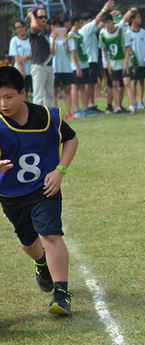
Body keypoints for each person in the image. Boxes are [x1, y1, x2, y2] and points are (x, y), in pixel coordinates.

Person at [0, 66, 79, 316]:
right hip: (11, 195)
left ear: (23, 93)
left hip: (44, 188)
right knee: (28, 244)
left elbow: (71, 139)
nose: (3, 104)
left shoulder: (47, 117)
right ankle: (41, 263)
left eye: (8, 96)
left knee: (50, 235)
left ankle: (62, 294)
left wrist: (60, 171)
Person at [100, 10, 137, 114]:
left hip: (124, 61)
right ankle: (117, 107)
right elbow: (104, 49)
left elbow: (128, 46)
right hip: (113, 63)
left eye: (108, 22)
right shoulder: (102, 34)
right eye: (105, 23)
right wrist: (108, 63)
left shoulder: (121, 31)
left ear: (112, 21)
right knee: (115, 84)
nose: (107, 25)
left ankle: (132, 106)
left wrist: (126, 61)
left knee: (126, 83)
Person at [68, 14, 98, 118]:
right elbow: (73, 53)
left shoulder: (79, 35)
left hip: (84, 64)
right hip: (77, 66)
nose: (82, 24)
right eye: (80, 22)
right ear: (76, 23)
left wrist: (86, 66)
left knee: (83, 87)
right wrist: (78, 68)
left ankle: (85, 108)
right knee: (75, 87)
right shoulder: (71, 36)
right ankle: (76, 110)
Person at [27, 6, 54, 107]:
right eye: (41, 17)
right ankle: (38, 120)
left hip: (49, 65)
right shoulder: (33, 32)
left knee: (49, 94)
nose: (44, 19)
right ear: (35, 18)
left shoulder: (46, 32)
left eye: (45, 17)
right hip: (39, 66)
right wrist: (30, 15)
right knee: (38, 96)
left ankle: (49, 118)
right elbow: (34, 26)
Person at [127, 9, 145, 109]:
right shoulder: (127, 32)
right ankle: (134, 101)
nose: (140, 19)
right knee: (134, 82)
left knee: (142, 81)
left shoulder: (143, 32)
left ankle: (141, 101)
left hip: (143, 62)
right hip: (133, 63)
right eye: (138, 18)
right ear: (133, 19)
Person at [49, 16, 73, 119]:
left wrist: (66, 39)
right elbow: (52, 52)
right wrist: (54, 39)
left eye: (58, 25)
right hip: (55, 67)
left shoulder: (65, 36)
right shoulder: (48, 37)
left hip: (66, 67)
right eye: (54, 25)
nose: (56, 27)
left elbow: (67, 52)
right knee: (54, 91)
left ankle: (68, 112)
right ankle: (55, 114)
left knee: (67, 89)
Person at [9, 20, 33, 99]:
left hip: (33, 69)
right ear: (15, 30)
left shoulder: (31, 38)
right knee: (23, 93)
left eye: (21, 27)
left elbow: (36, 53)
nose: (20, 29)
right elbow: (17, 58)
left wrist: (27, 57)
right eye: (17, 28)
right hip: (21, 71)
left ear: (25, 27)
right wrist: (22, 72)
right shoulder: (14, 40)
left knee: (34, 92)